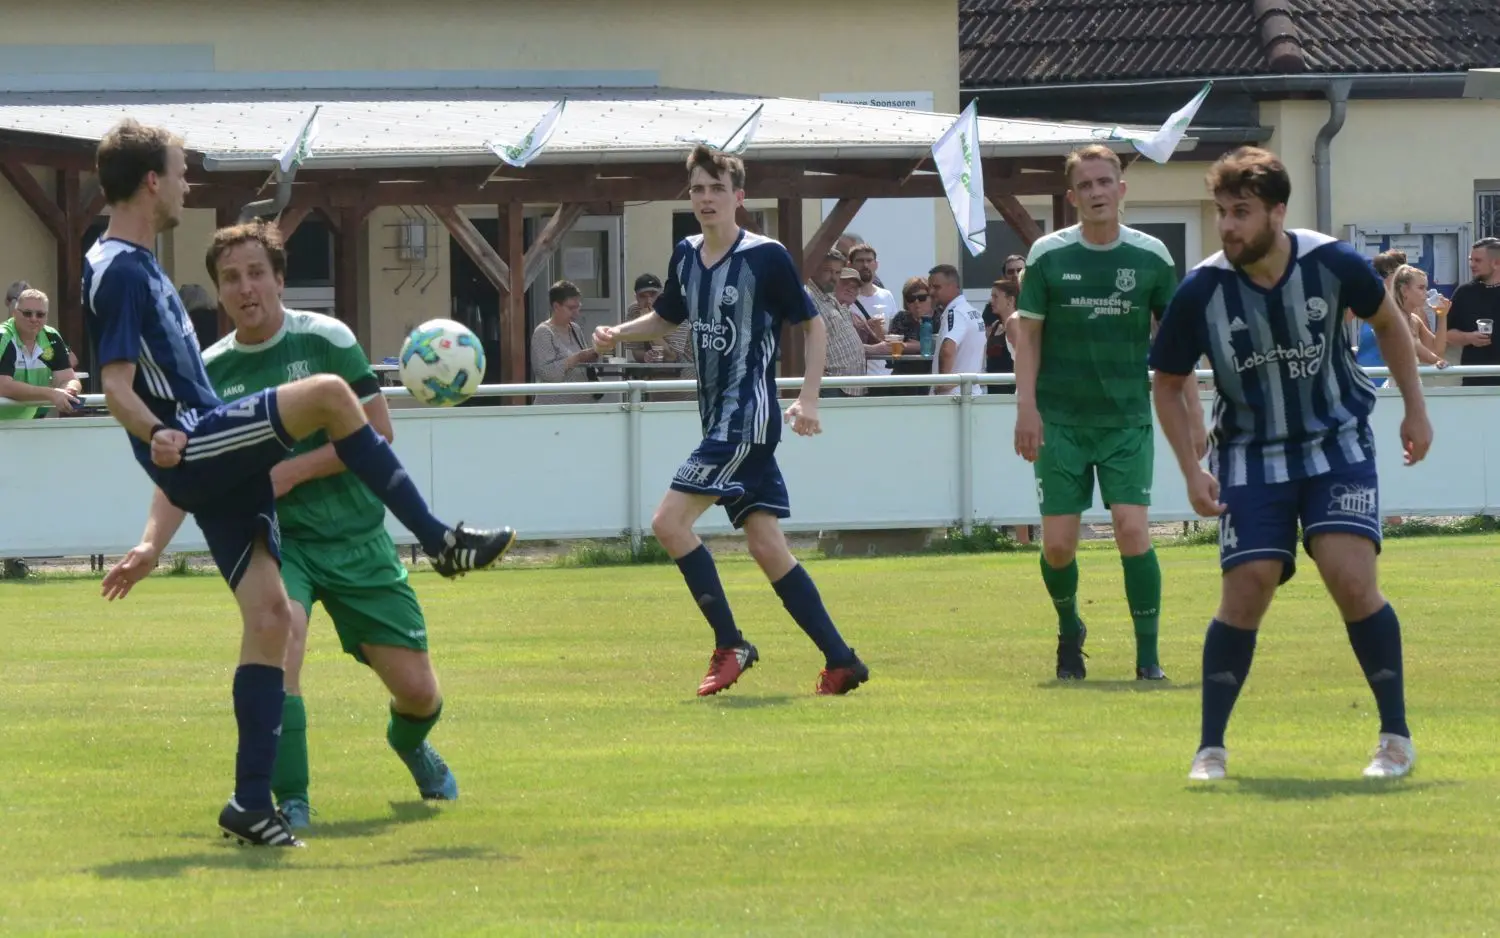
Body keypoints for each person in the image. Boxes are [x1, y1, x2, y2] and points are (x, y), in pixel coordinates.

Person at [89, 118, 516, 847]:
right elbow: (117, 384)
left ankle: (250, 804)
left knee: (269, 622)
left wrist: (151, 539)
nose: (188, 182)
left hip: (223, 469)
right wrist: (153, 432)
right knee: (325, 395)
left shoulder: (139, 262)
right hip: (195, 444)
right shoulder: (122, 267)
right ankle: (439, 538)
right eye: (180, 170)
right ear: (152, 181)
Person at [113, 220, 460, 830]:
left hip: (357, 537)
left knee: (418, 691)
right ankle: (291, 800)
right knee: (282, 643)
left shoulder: (328, 339)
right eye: (230, 278)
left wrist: (292, 472)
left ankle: (410, 744)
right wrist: (149, 545)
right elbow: (181, 475)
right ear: (219, 292)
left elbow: (378, 433)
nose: (244, 288)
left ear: (279, 279)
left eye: (255, 274)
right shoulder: (207, 371)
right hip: (276, 541)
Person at [1150, 146, 1431, 781]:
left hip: (1336, 439)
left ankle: (1395, 739)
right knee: (1247, 585)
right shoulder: (1201, 289)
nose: (1227, 226)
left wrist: (1415, 409)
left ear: (1278, 212)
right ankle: (1210, 750)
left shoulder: (1332, 261)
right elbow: (1167, 384)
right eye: (1221, 212)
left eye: (1241, 212)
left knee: (1350, 578)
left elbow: (1389, 323)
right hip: (1249, 450)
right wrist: (1192, 469)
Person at [591, 145, 869, 697]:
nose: (706, 198)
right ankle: (842, 661)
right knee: (767, 546)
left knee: (668, 524)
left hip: (746, 420)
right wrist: (620, 333)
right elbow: (669, 315)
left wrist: (809, 399)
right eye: (697, 189)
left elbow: (812, 327)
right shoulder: (686, 254)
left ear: (739, 198)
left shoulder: (766, 256)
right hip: (718, 419)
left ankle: (731, 644)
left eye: (717, 188)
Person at [1011, 144, 1190, 681]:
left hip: (1127, 419)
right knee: (1060, 546)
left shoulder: (1152, 257)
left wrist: (1193, 412)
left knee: (1133, 531)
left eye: (1104, 182)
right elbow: (1029, 336)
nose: (1096, 193)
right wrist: (1026, 410)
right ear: (1071, 197)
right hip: (1060, 421)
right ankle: (1070, 629)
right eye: (1085, 185)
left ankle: (1148, 657)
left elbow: (1176, 345)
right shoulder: (1047, 255)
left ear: (1121, 189)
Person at [0, 287, 83, 421]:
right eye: (27, 313)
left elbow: (68, 378)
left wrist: (69, 391)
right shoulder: (3, 337)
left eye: (40, 314)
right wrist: (51, 394)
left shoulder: (51, 337)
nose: (34, 319)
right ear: (14, 313)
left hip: (24, 423)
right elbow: (3, 387)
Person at [531, 280, 600, 403]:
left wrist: (594, 354)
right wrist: (577, 358)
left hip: (582, 406)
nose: (576, 312)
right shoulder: (543, 332)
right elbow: (547, 373)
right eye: (571, 308)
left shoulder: (575, 329)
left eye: (578, 307)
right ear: (556, 306)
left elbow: (583, 361)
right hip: (555, 407)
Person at [926, 264, 986, 397]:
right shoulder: (974, 312)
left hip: (952, 398)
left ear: (953, 287)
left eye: (936, 287)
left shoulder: (955, 313)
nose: (931, 292)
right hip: (971, 392)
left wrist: (943, 384)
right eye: (930, 287)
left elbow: (948, 348)